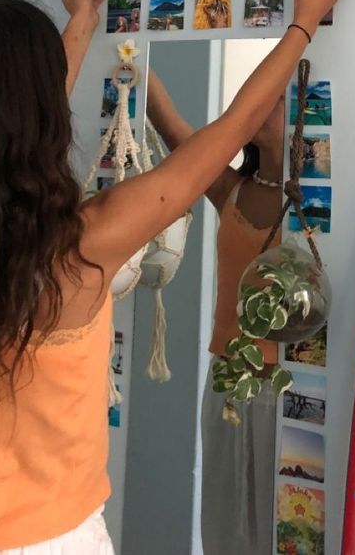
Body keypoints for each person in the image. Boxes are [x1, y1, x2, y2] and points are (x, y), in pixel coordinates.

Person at [0, 0, 345, 555]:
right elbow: (232, 125)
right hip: (46, 539)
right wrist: (303, 22)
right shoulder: (84, 242)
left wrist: (80, 30)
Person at [146, 68, 285, 555]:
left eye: (280, 95)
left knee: (282, 529)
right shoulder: (233, 191)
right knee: (227, 530)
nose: (267, 102)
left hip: (285, 393)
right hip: (225, 382)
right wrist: (126, 53)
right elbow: (170, 128)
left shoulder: (322, 209)